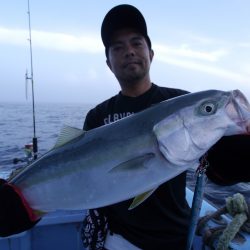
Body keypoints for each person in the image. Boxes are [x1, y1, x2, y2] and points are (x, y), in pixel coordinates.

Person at [81, 4, 250, 250]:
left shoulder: (181, 102)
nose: (129, 51)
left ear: (151, 54)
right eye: (118, 47)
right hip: (119, 238)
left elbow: (220, 169)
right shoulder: (98, 116)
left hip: (175, 236)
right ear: (108, 63)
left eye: (137, 43)